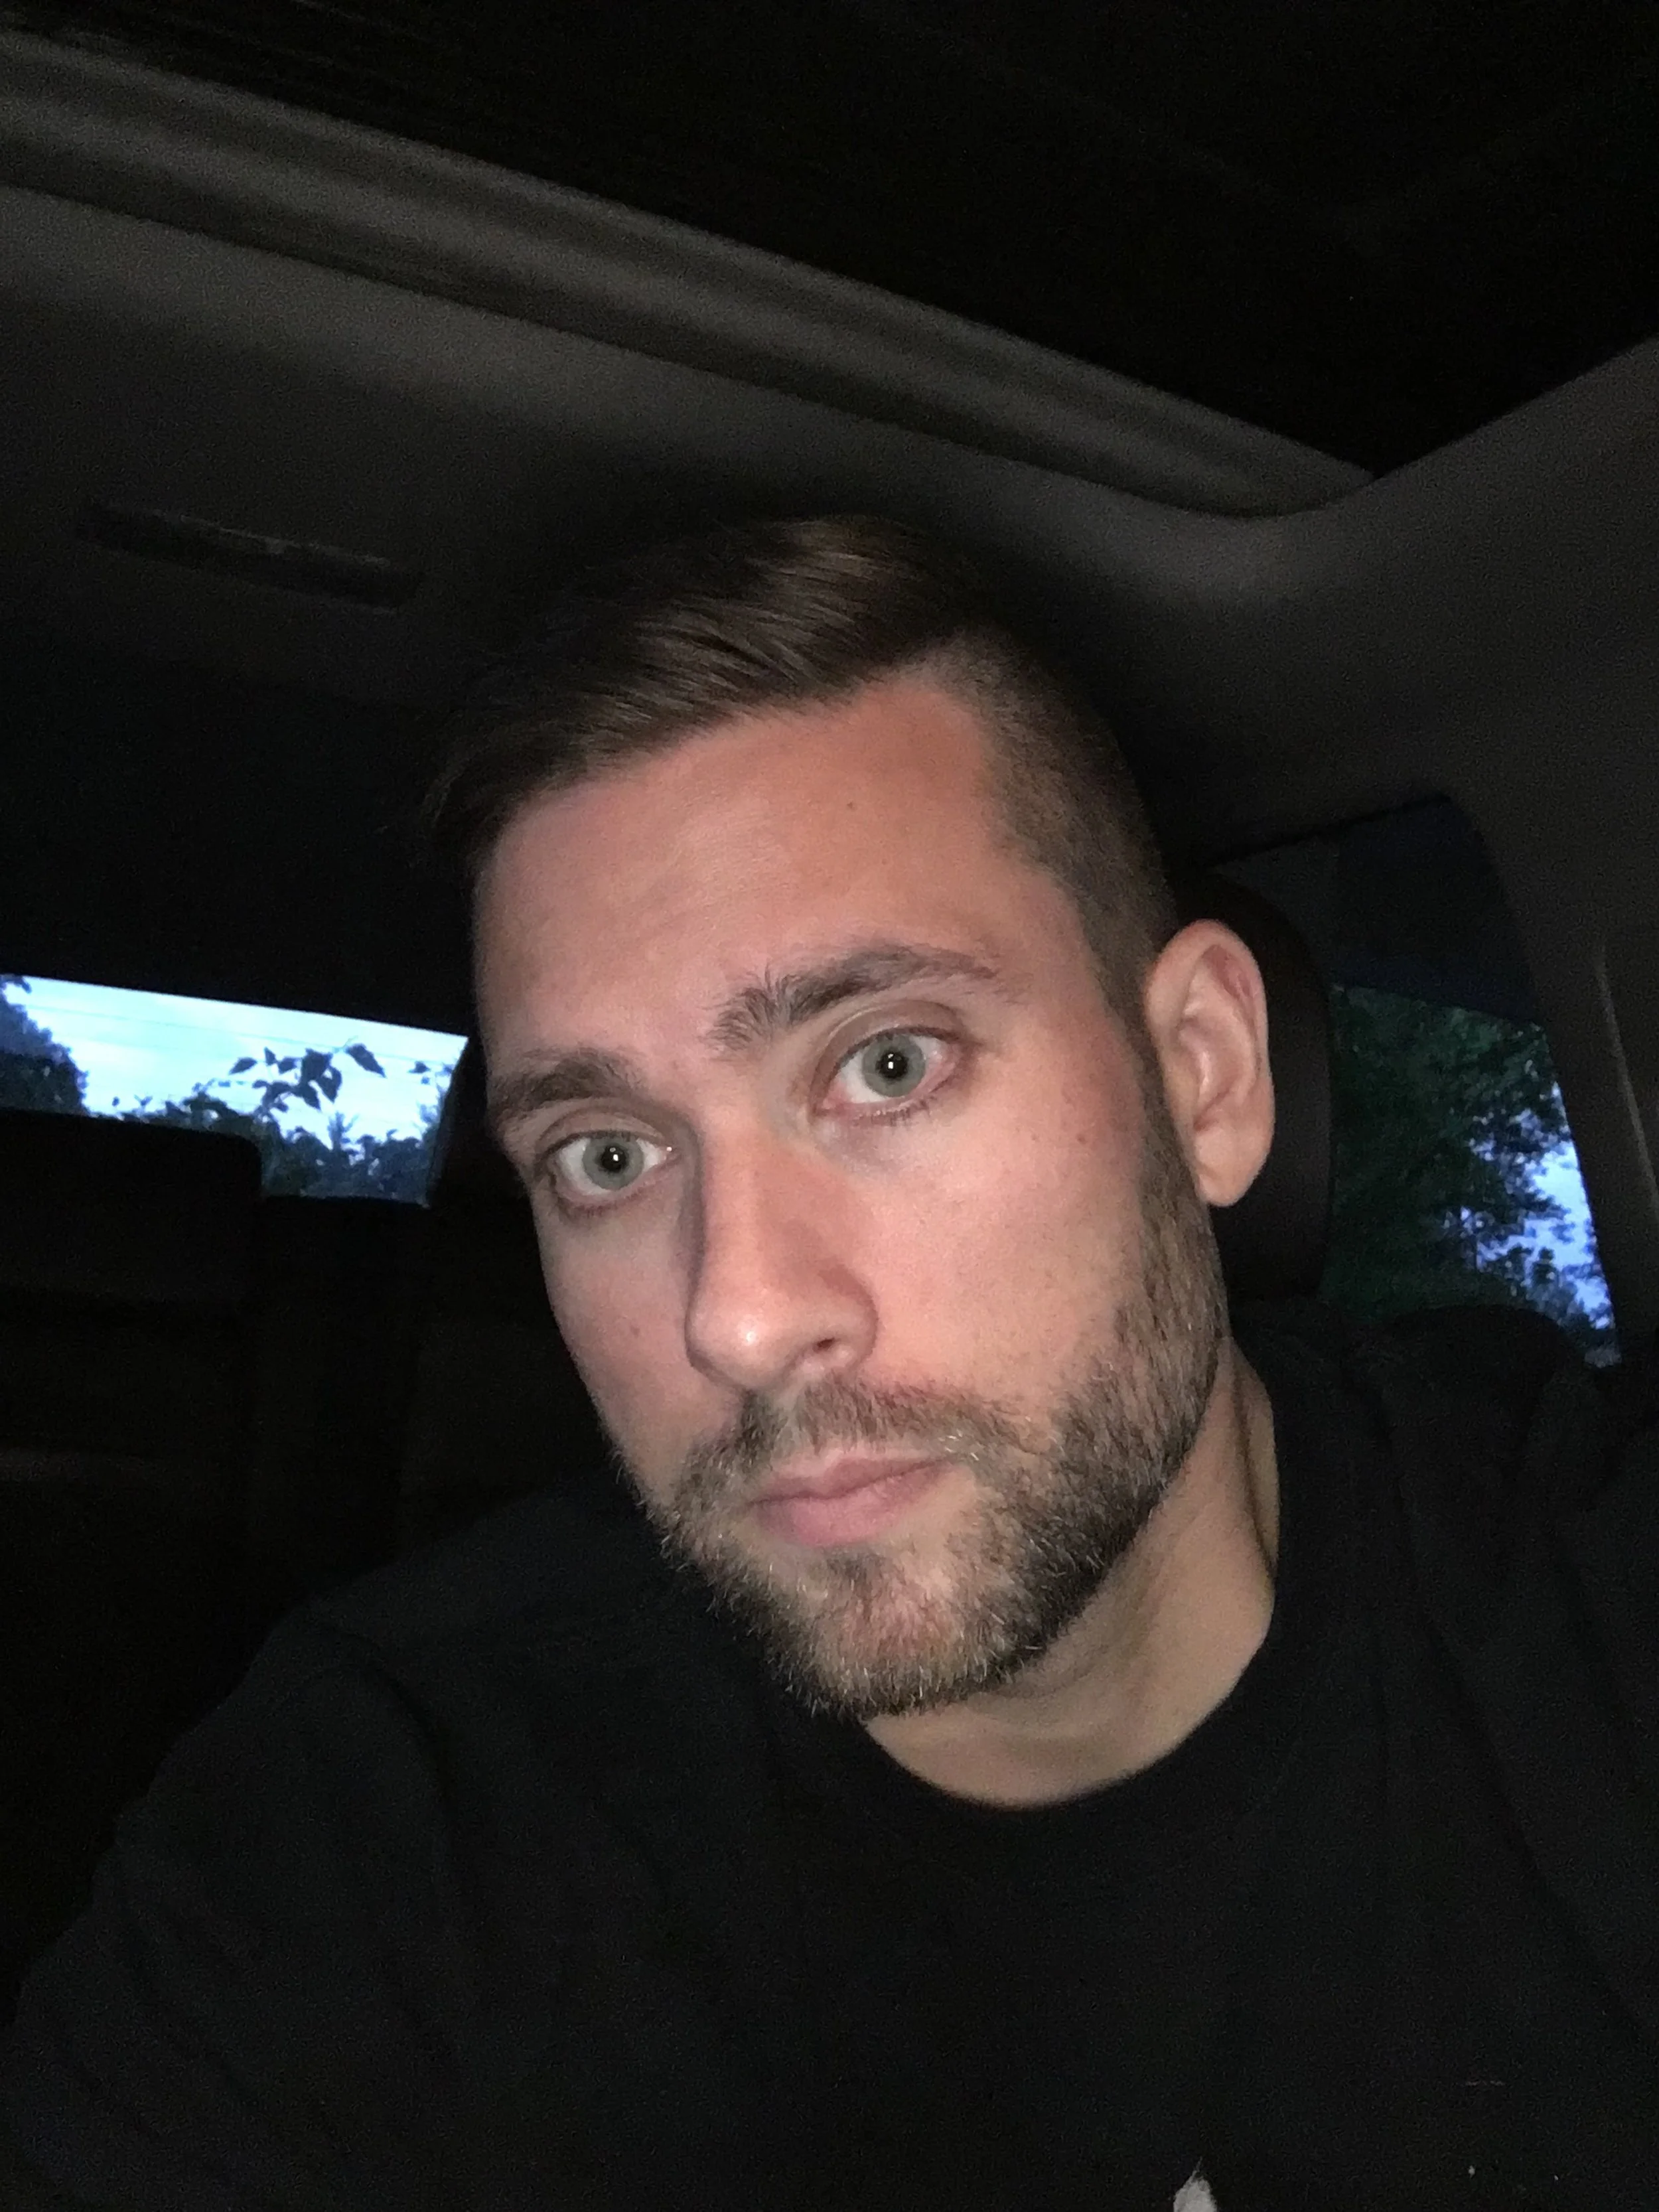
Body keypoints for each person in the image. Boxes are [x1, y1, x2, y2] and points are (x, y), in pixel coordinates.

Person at [4, 515, 1657, 2211]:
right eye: (606, 1156)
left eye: (885, 1065)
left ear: (1202, 1077)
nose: (736, 1316)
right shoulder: (366, 1844)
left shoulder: (1592, 1612)